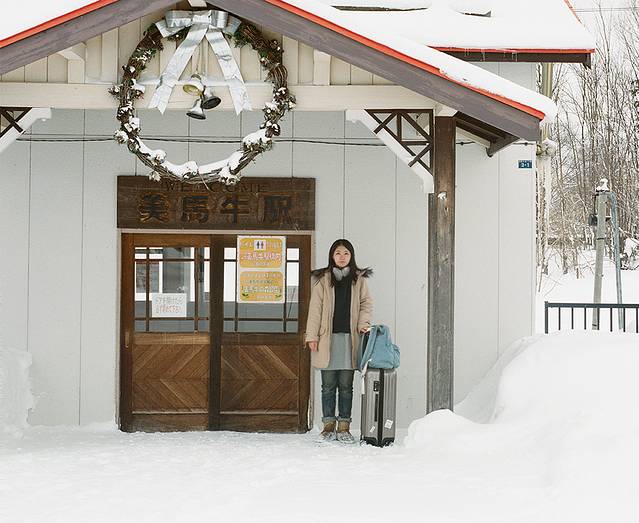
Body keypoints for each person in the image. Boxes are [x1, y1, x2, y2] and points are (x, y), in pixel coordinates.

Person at [304, 239, 373, 443]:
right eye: (338, 253)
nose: (342, 257)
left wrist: (363, 323)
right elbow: (315, 310)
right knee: (327, 386)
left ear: (351, 256)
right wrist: (312, 336)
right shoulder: (323, 280)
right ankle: (328, 427)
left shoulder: (359, 280)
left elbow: (366, 304)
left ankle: (344, 427)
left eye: (346, 254)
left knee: (346, 386)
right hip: (327, 339)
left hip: (350, 339)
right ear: (332, 256)